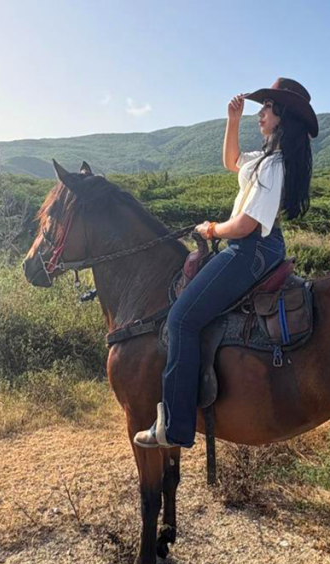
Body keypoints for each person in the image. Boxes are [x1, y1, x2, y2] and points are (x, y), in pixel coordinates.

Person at [134, 77, 319, 449]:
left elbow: (246, 225)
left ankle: (175, 425)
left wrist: (213, 229)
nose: (260, 115)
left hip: (250, 249)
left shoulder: (275, 165)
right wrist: (231, 120)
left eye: (266, 109)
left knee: (182, 319)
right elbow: (231, 161)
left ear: (282, 116)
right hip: (256, 247)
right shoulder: (264, 159)